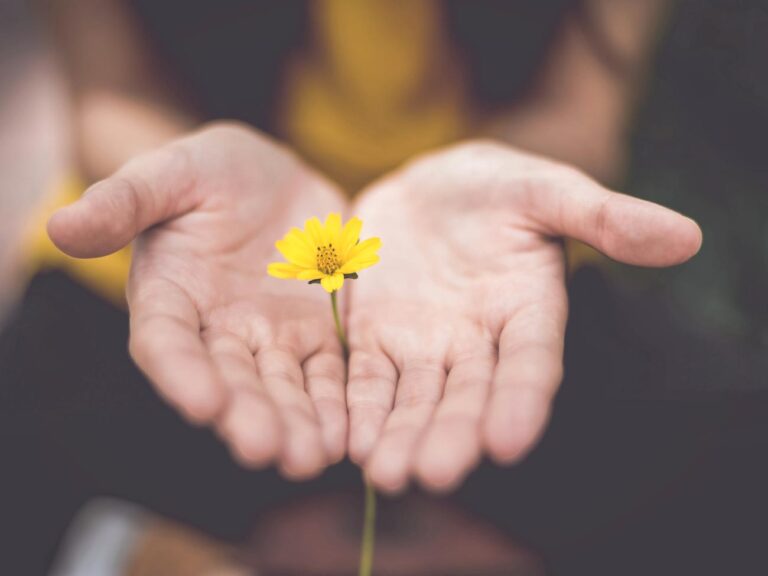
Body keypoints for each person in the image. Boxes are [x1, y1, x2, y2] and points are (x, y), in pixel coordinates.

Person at [3, 1, 766, 573]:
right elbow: (113, 95)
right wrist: (179, 179)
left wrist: (500, 180)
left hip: (483, 272)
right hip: (192, 265)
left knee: (732, 467)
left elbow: (578, 113)